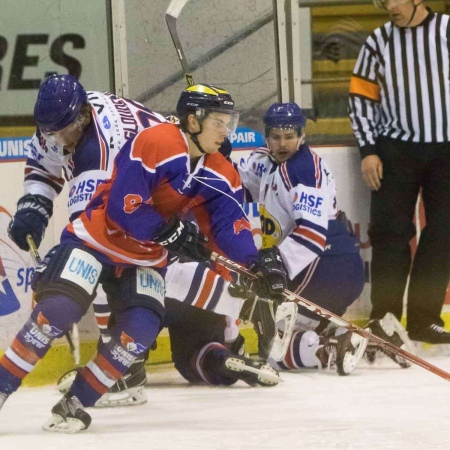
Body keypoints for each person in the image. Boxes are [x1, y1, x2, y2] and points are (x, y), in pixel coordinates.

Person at [0, 83, 282, 432]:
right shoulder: (156, 142)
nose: (228, 132)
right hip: (97, 239)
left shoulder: (220, 170)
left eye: (229, 123)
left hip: (146, 257)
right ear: (194, 121)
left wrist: (255, 263)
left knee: (140, 330)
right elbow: (122, 207)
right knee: (57, 310)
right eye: (220, 123)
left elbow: (228, 225)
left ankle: (75, 403)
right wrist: (170, 231)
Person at [7, 74, 167, 406]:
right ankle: (125, 363)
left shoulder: (102, 151)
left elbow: (96, 240)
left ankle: (127, 367)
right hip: (144, 178)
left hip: (165, 196)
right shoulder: (62, 118)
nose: (56, 139)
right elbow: (44, 166)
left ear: (82, 116)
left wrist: (58, 269)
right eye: (49, 131)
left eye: (63, 131)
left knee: (115, 274)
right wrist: (34, 205)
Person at [238, 102, 368, 376]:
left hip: (328, 265)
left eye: (289, 136)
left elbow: (311, 235)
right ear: (267, 136)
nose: (283, 143)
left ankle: (323, 350)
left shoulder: (301, 171)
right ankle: (336, 335)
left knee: (271, 347)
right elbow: (241, 183)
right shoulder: (264, 161)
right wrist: (219, 156)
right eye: (276, 136)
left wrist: (275, 263)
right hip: (327, 264)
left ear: (302, 136)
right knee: (282, 329)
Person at [349, 0, 450, 344]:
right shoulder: (378, 40)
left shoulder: (447, 30)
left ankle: (425, 319)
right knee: (390, 235)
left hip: (447, 149)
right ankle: (384, 320)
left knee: (444, 234)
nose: (390, 5)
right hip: (395, 149)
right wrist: (369, 150)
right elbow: (361, 97)